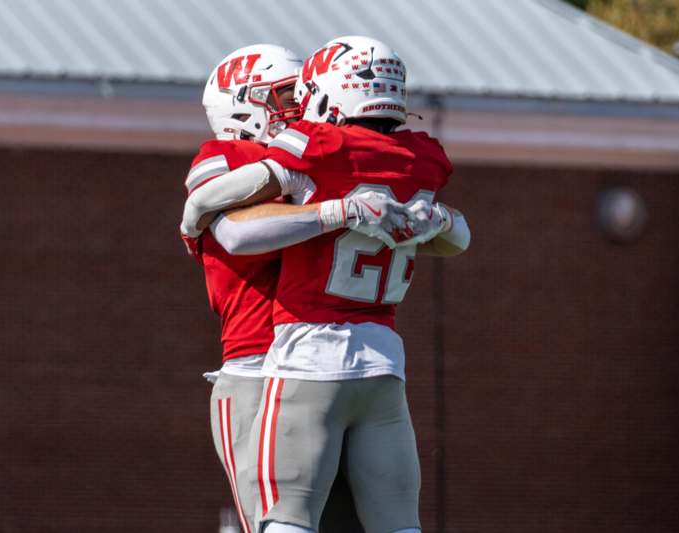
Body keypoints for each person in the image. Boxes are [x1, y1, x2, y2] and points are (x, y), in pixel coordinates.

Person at [181, 36, 471, 533]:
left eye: (300, 91)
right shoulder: (229, 155)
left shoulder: (327, 155)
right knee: (274, 519)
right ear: (241, 103)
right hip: (258, 365)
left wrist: (393, 214)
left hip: (316, 359)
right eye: (283, 94)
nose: (297, 104)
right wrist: (344, 210)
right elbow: (234, 232)